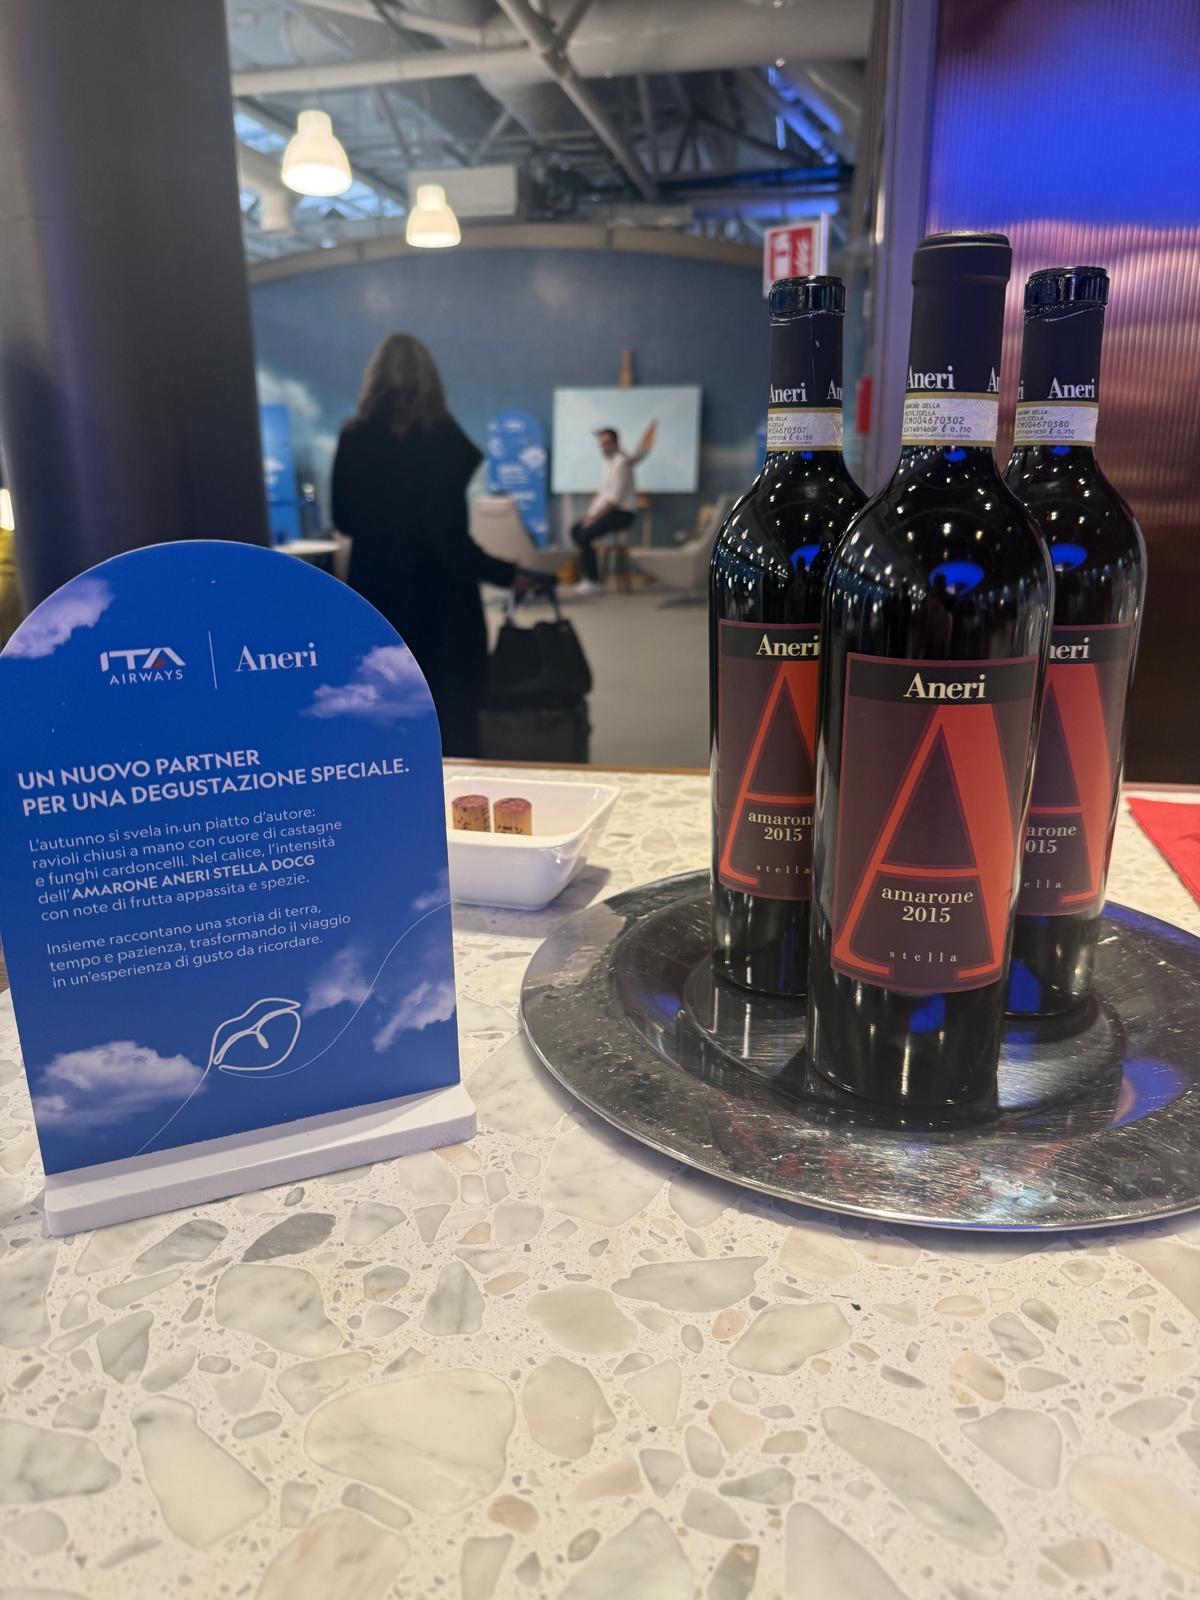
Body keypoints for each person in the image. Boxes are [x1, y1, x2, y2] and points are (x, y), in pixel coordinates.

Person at [332, 333, 546, 758]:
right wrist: (506, 574)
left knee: (386, 713)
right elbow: (446, 536)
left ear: (374, 379)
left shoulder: (354, 437)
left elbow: (344, 520)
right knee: (453, 718)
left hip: (379, 595)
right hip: (443, 602)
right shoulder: (444, 438)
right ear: (433, 380)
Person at [570, 421, 657, 594]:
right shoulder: (608, 463)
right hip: (608, 511)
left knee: (585, 534)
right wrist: (589, 516)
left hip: (622, 513)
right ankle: (592, 576)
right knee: (576, 530)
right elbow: (603, 495)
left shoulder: (622, 464)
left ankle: (593, 581)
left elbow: (614, 501)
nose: (603, 447)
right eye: (601, 444)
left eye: (607, 443)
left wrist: (593, 519)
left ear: (615, 443)